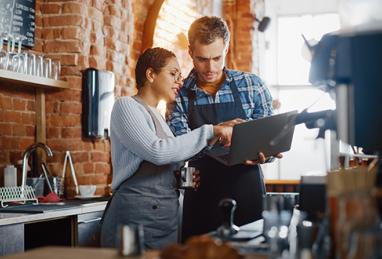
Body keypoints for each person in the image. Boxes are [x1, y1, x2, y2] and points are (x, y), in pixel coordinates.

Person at [100, 47, 237, 249]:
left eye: (180, 76)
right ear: (151, 74)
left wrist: (178, 177)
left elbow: (163, 158)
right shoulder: (126, 106)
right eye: (173, 74)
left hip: (164, 220)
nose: (179, 81)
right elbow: (158, 151)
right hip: (134, 219)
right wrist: (210, 131)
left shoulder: (158, 115)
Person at [167, 16, 282, 241]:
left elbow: (270, 142)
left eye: (217, 58)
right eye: (202, 59)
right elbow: (179, 148)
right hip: (202, 193)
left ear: (226, 49)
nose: (210, 67)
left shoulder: (252, 85)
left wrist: (265, 155)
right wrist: (218, 132)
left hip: (247, 188)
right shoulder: (177, 94)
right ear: (190, 52)